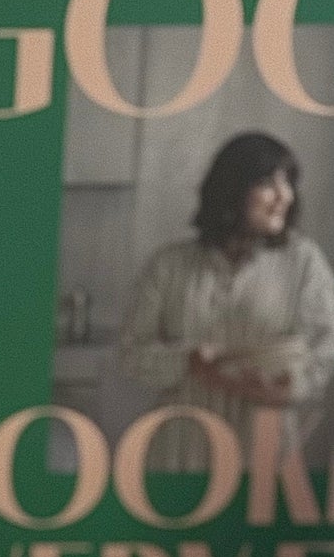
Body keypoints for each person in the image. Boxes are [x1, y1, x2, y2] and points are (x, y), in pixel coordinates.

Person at [118, 131, 334, 470]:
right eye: (267, 183)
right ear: (231, 190)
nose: (284, 196)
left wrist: (291, 383)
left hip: (267, 444)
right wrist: (190, 360)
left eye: (288, 182)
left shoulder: (303, 262)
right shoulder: (170, 265)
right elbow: (132, 353)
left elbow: (327, 346)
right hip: (183, 444)